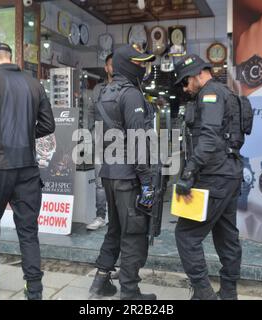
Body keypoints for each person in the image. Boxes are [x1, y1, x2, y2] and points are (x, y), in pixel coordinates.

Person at [0, 43, 55, 300]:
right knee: (28, 231)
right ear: (9, 58)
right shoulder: (33, 83)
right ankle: (34, 290)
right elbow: (48, 124)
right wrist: (27, 134)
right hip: (27, 169)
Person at [89, 44, 156, 300]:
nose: (143, 68)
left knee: (115, 230)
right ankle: (130, 292)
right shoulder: (131, 95)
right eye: (139, 64)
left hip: (109, 173)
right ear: (126, 65)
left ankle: (100, 282)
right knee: (134, 233)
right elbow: (138, 141)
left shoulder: (103, 93)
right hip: (129, 177)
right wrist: (148, 182)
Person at [173, 54, 243, 300]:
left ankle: (204, 294)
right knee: (226, 235)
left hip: (214, 176)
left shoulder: (209, 94)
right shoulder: (228, 93)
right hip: (231, 174)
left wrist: (189, 173)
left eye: (185, 81)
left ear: (196, 74)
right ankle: (229, 292)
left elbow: (210, 138)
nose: (185, 87)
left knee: (186, 235)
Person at [86, 53, 113, 231]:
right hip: (100, 142)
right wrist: (91, 130)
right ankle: (101, 216)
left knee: (120, 183)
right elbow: (90, 111)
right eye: (111, 65)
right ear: (106, 67)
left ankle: (118, 218)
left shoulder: (127, 88)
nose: (114, 68)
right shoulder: (98, 89)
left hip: (122, 144)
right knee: (99, 183)